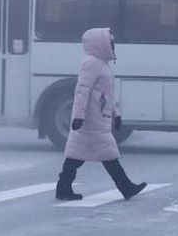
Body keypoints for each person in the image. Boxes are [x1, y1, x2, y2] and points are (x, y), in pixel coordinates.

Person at [55, 27, 147, 202]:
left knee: (78, 155)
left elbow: (105, 95)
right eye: (110, 42)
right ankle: (126, 187)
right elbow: (82, 91)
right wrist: (78, 116)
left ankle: (63, 187)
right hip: (91, 119)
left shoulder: (101, 63)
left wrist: (116, 114)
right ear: (100, 44)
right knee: (107, 154)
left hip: (97, 117)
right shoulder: (91, 63)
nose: (113, 45)